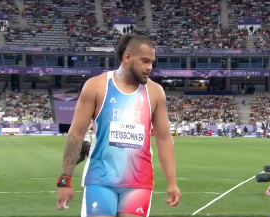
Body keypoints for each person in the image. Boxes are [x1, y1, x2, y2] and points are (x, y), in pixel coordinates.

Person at [55, 33, 182, 217]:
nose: (150, 67)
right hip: (101, 180)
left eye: (152, 62)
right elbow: (76, 133)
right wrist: (65, 179)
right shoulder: (97, 86)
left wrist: (172, 182)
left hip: (139, 182)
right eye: (145, 61)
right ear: (127, 57)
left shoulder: (155, 92)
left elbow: (163, 139)